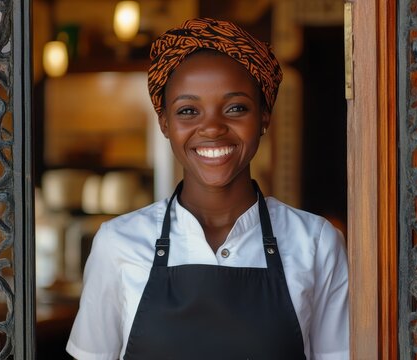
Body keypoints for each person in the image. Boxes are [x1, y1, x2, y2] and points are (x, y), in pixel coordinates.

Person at [66, 17, 349, 360]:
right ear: (165, 123)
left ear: (264, 117)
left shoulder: (316, 242)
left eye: (235, 108)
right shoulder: (118, 243)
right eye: (188, 110)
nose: (212, 128)